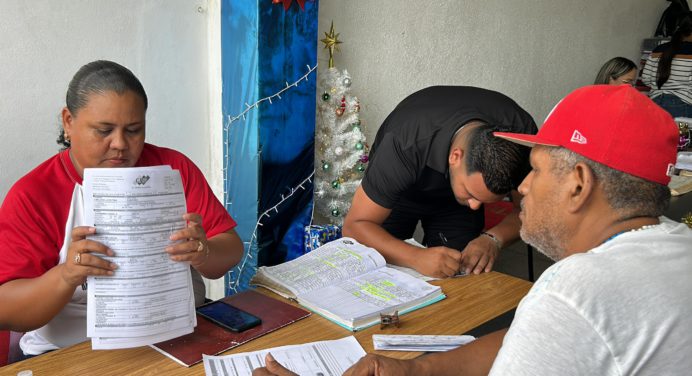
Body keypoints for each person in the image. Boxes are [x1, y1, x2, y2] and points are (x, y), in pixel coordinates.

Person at [254, 85, 692, 375]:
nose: (521, 189)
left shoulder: (573, 294)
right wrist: (419, 370)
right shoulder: (681, 247)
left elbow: (560, 322)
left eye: (535, 170)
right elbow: (531, 337)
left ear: (578, 184)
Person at [0, 60, 244, 357]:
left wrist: (204, 252)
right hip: (71, 352)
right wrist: (66, 276)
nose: (120, 144)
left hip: (179, 339)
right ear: (68, 122)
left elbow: (230, 248)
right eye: (103, 131)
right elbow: (7, 310)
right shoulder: (33, 194)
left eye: (133, 130)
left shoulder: (172, 170)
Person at [343, 86, 537, 278]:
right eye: (471, 194)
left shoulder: (519, 137)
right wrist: (415, 257)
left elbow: (531, 210)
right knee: (381, 269)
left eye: (483, 200)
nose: (475, 206)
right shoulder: (404, 141)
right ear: (455, 157)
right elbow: (355, 226)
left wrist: (494, 238)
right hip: (401, 194)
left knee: (460, 272)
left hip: (453, 206)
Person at [642, 12, 692, 117]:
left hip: (654, 104)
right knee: (682, 133)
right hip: (683, 107)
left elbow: (646, 78)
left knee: (657, 133)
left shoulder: (658, 50)